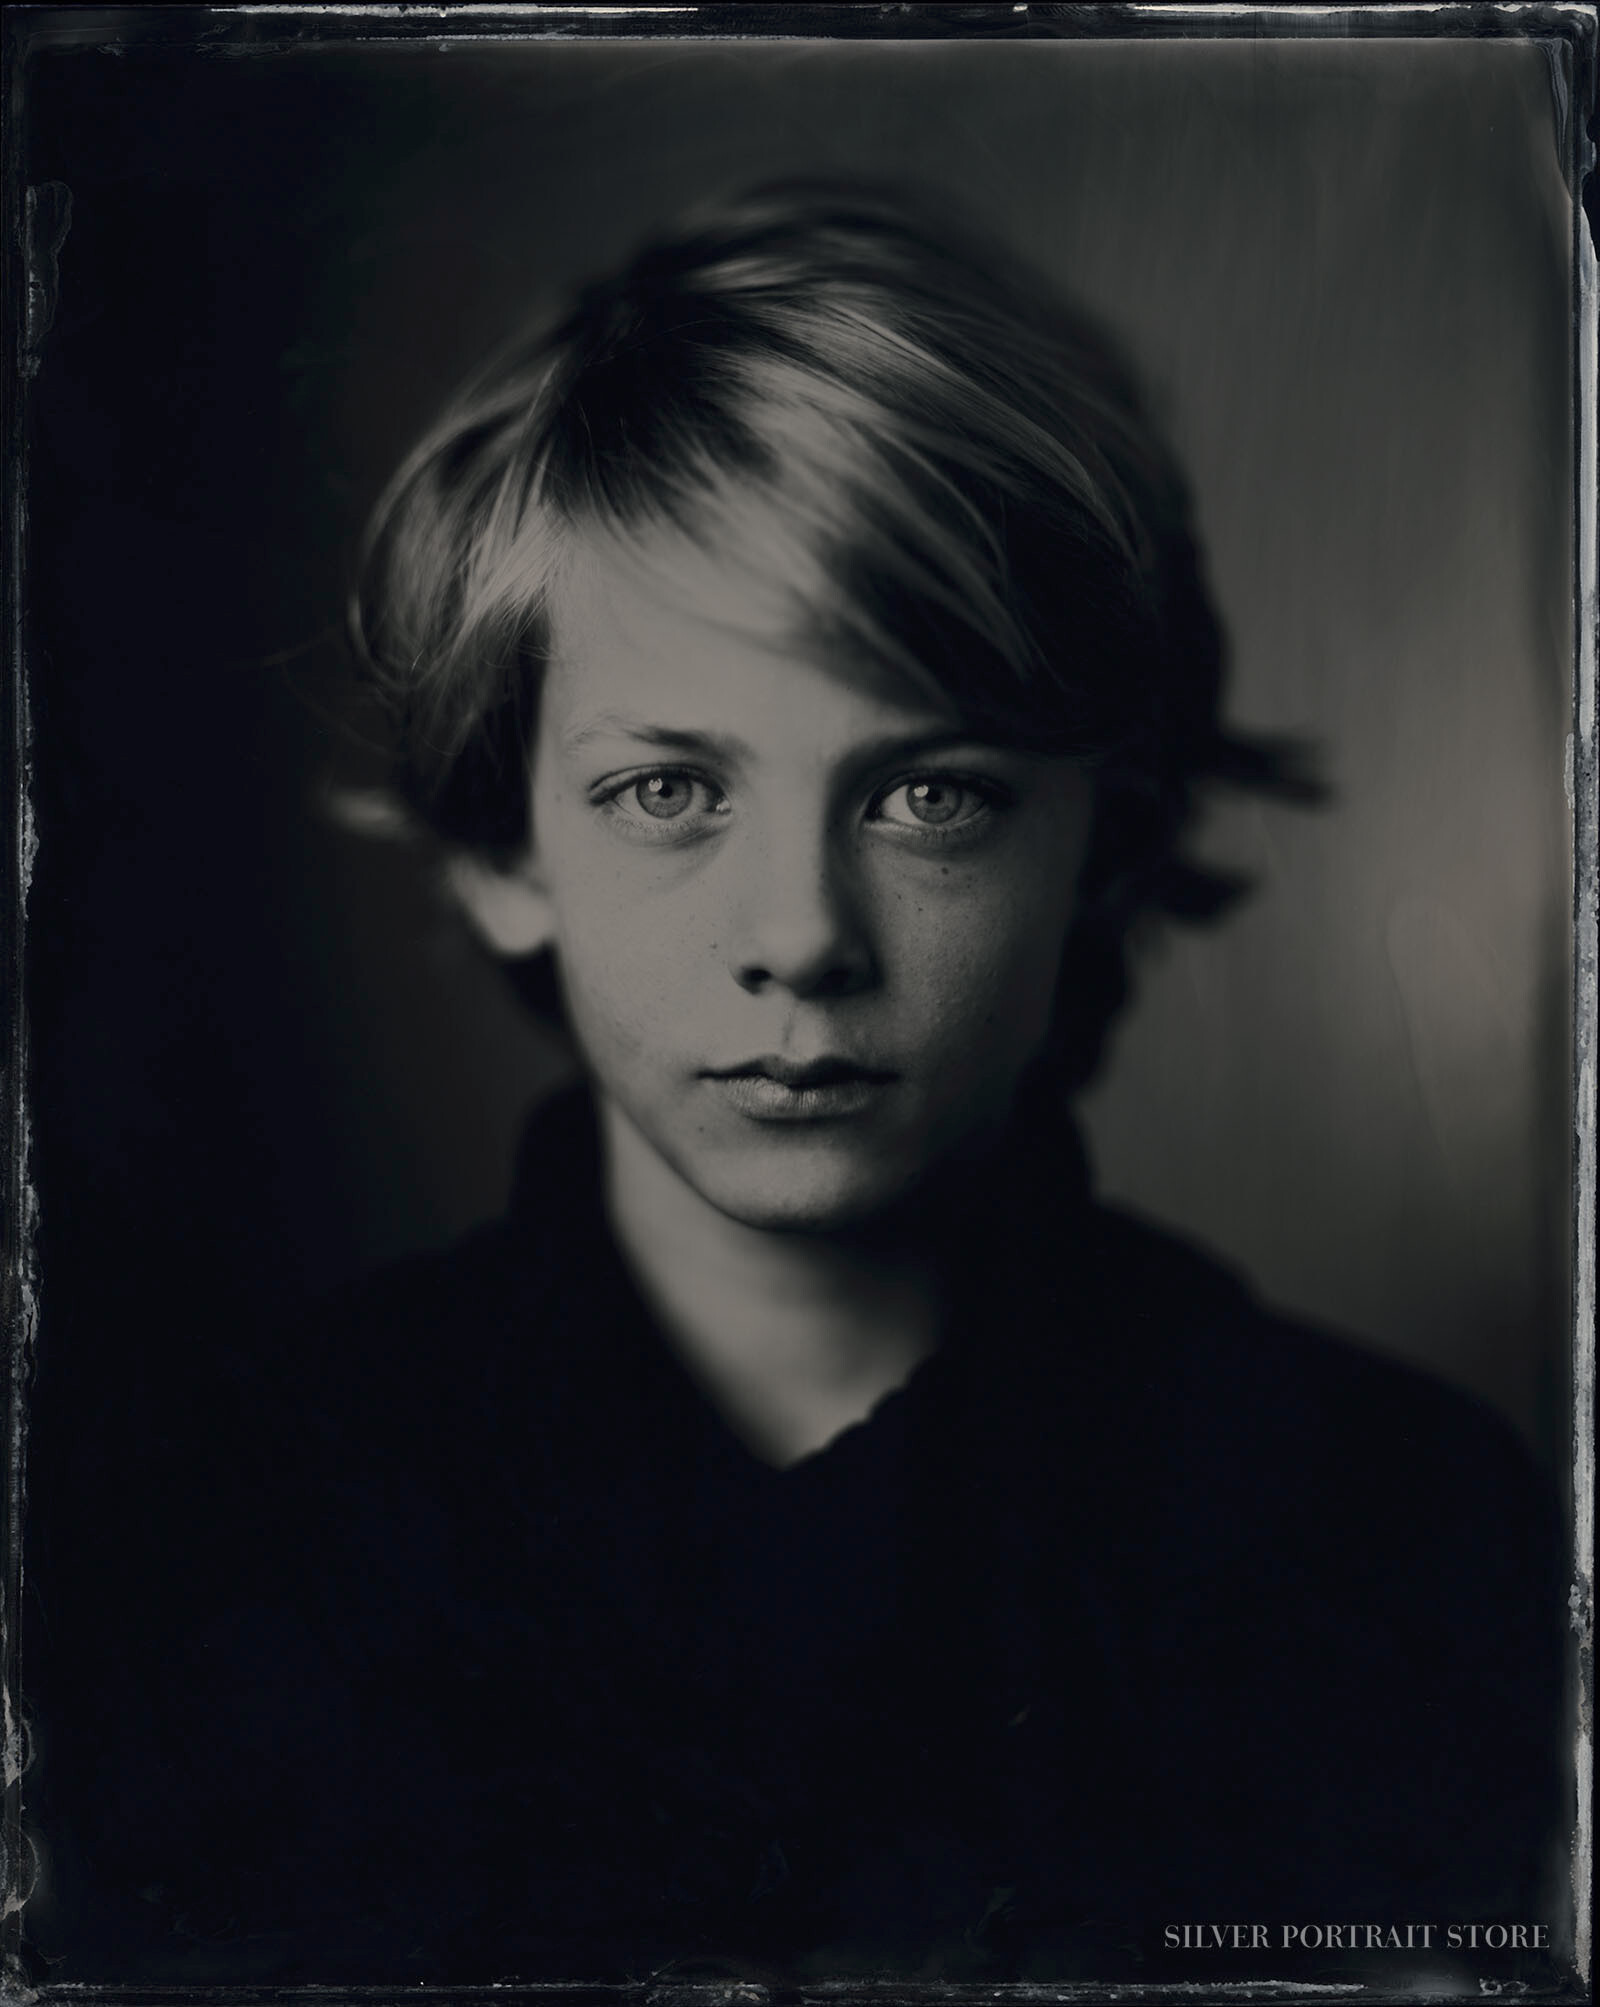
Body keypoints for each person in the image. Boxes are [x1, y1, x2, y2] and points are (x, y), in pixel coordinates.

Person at [23, 183, 1564, 1987]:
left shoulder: (1396, 1541)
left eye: (931, 795)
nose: (802, 938)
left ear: (1106, 843)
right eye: (670, 788)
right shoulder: (214, 1550)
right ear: (500, 838)